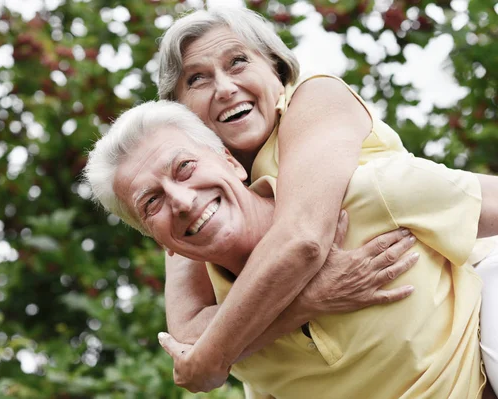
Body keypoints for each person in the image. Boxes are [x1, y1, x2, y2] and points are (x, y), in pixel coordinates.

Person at [155, 6, 498, 394]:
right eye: (197, 79)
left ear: (275, 69)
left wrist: (214, 356)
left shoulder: (315, 98)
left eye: (238, 62)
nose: (224, 88)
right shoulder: (192, 198)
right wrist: (303, 304)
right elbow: (188, 338)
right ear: (180, 112)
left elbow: (300, 239)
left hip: (479, 309)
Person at [83, 100, 498, 398]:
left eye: (185, 168)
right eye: (151, 202)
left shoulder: (368, 194)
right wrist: (308, 300)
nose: (183, 200)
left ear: (230, 161)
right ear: (156, 241)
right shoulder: (214, 337)